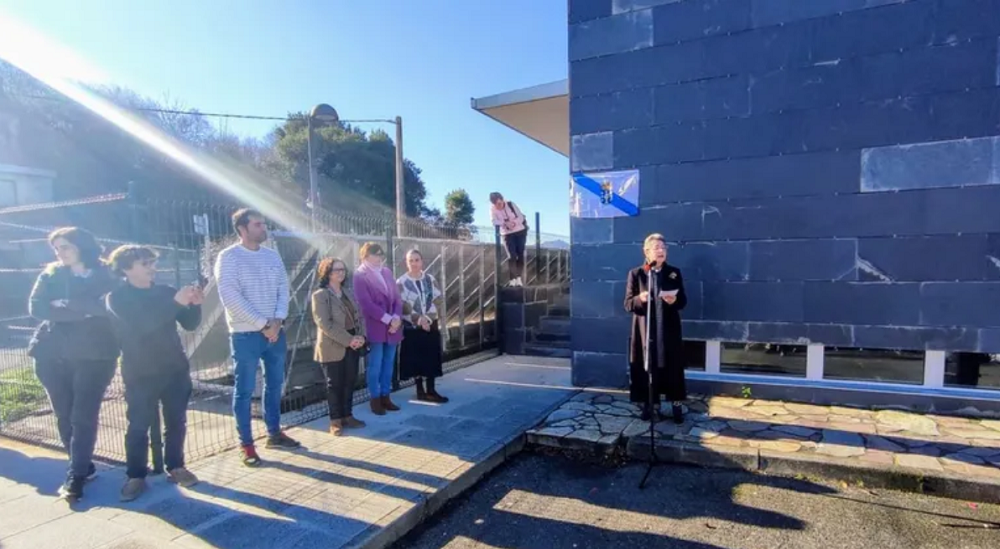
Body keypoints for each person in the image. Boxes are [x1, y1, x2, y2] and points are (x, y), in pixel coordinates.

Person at [27, 227, 119, 500]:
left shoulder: (107, 274)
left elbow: (109, 308)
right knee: (64, 415)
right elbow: (37, 307)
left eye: (65, 246)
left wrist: (68, 304)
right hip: (50, 354)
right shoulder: (51, 274)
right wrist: (84, 311)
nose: (59, 252)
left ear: (81, 246)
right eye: (56, 248)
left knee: (83, 416)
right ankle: (83, 464)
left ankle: (75, 475)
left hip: (95, 356)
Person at [106, 245, 202, 501]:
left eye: (152, 262)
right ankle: (136, 475)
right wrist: (175, 303)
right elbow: (142, 325)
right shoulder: (117, 297)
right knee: (138, 425)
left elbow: (190, 324)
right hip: (140, 371)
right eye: (144, 263)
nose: (152, 268)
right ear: (126, 268)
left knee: (176, 421)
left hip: (174, 369)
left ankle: (176, 466)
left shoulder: (166, 292)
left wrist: (194, 304)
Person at [215, 208, 300, 467]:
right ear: (242, 228)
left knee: (275, 384)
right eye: (257, 224)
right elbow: (230, 297)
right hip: (245, 335)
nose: (264, 228)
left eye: (263, 223)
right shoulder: (228, 257)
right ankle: (247, 445)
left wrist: (278, 320)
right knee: (244, 390)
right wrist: (263, 324)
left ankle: (274, 432)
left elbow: (282, 289)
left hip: (275, 331)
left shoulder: (272, 257)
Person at [624, 233, 688, 424]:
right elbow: (627, 304)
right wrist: (639, 299)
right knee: (647, 365)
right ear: (646, 251)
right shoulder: (636, 274)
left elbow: (683, 301)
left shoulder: (674, 273)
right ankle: (649, 403)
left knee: (671, 365)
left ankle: (676, 404)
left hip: (668, 329)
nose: (661, 251)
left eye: (664, 247)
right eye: (657, 247)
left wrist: (674, 300)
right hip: (646, 330)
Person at [311, 257, 367, 436]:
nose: (340, 273)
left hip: (353, 343)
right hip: (332, 345)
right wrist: (348, 340)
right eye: (336, 270)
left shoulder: (347, 293)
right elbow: (325, 324)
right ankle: (335, 420)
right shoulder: (320, 295)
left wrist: (361, 336)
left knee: (349, 381)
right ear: (327, 273)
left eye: (343, 269)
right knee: (334, 384)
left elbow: (359, 316)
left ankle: (348, 415)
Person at [352, 242, 403, 415]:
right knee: (375, 363)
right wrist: (388, 319)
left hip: (393, 326)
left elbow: (397, 298)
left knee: (389, 363)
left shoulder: (386, 272)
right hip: (376, 325)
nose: (379, 258)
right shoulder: (360, 275)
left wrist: (396, 317)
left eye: (381, 254)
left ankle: (386, 396)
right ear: (365, 257)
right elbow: (366, 304)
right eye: (375, 255)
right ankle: (374, 398)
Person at [396, 249, 448, 403]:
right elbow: (402, 305)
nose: (414, 263)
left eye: (417, 260)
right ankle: (420, 390)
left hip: (430, 323)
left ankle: (431, 390)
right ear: (406, 263)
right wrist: (418, 319)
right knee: (415, 357)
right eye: (410, 260)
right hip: (412, 326)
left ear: (422, 261)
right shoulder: (401, 282)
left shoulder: (430, 279)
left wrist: (429, 319)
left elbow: (438, 299)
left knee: (431, 356)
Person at [489, 192, 528, 287]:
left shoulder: (510, 204)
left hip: (520, 231)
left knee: (520, 255)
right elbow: (494, 221)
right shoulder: (492, 210)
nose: (499, 206)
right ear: (493, 204)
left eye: (500, 203)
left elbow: (521, 217)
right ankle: (512, 279)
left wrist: (513, 223)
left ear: (503, 200)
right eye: (497, 204)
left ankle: (519, 278)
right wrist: (505, 223)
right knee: (511, 256)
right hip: (507, 234)